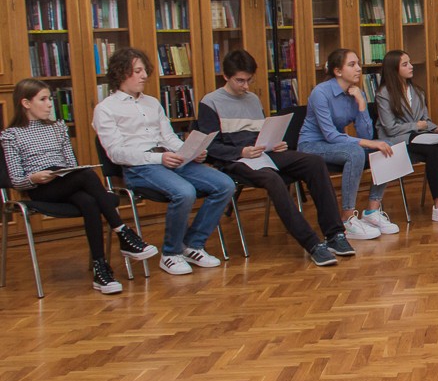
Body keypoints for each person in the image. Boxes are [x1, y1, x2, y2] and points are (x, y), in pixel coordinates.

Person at [198, 50, 354, 266]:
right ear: (225, 76)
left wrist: (274, 142)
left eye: (249, 80)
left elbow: (260, 132)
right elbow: (211, 146)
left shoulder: (252, 99)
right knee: (273, 179)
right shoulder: (210, 102)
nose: (246, 86)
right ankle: (311, 244)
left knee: (314, 162)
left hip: (263, 153)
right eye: (240, 81)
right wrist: (241, 152)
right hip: (235, 160)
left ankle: (334, 234)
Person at [2, 78, 158, 293]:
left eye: (50, 99)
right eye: (43, 99)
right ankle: (123, 232)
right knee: (87, 176)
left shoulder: (57, 128)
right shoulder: (11, 135)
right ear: (26, 103)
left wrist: (63, 173)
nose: (49, 104)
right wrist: (35, 178)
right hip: (40, 188)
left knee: (89, 201)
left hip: (66, 181)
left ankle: (100, 270)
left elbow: (71, 165)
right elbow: (16, 180)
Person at [92, 48, 235, 276]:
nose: (144, 76)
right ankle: (170, 253)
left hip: (170, 159)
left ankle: (192, 244)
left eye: (144, 70)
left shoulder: (152, 103)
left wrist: (190, 152)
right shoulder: (105, 109)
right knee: (184, 192)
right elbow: (117, 153)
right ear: (121, 73)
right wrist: (159, 157)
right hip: (140, 167)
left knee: (225, 184)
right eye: (137, 71)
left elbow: (168, 138)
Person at [297, 48, 398, 240]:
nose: (359, 68)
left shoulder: (357, 92)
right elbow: (330, 135)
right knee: (355, 152)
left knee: (387, 146)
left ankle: (372, 211)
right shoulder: (320, 93)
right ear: (337, 71)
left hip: (337, 145)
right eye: (352, 65)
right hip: (312, 145)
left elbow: (366, 134)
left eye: (358, 63)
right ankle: (347, 217)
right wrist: (370, 143)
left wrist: (361, 104)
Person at [375, 50, 438, 223]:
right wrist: (416, 126)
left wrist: (437, 129)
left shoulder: (417, 92)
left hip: (419, 136)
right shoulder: (384, 94)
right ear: (394, 69)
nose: (411, 66)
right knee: (433, 150)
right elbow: (390, 128)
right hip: (397, 139)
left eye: (410, 62)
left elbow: (425, 120)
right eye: (405, 64)